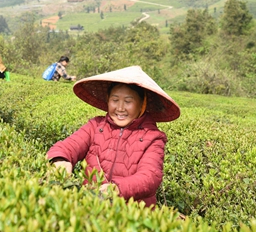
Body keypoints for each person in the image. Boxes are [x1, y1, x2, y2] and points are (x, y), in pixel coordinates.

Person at [46, 66, 180, 207]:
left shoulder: (153, 137)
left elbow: (150, 177)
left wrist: (117, 188)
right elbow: (69, 145)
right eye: (115, 100)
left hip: (131, 216)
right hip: (91, 207)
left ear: (142, 104)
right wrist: (60, 159)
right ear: (108, 100)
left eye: (128, 101)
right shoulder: (95, 126)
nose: (120, 108)